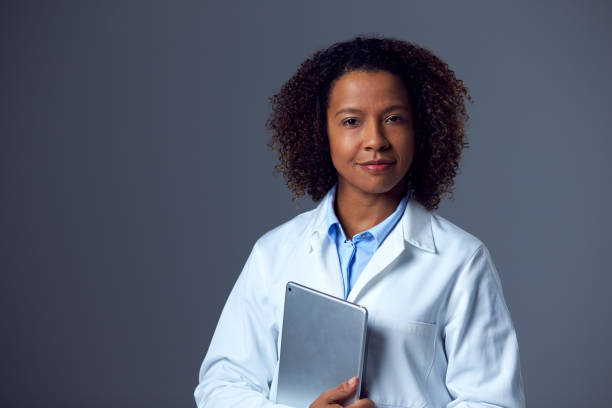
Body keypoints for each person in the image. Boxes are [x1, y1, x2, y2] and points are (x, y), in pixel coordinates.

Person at [194, 35, 525, 408]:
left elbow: (493, 402)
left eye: (394, 119)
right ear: (322, 133)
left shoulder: (462, 260)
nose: (375, 140)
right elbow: (222, 385)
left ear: (420, 129)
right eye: (351, 121)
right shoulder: (272, 253)